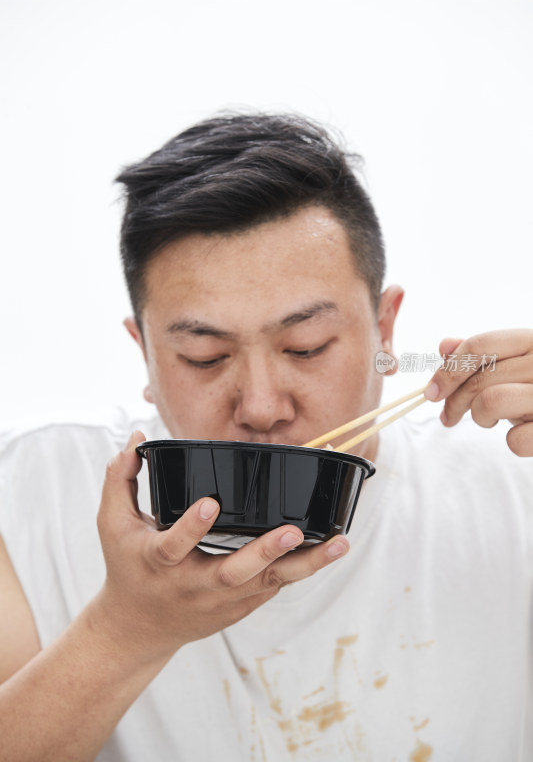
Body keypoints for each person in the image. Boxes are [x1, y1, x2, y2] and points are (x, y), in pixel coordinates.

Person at [0, 113, 532, 762]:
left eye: (305, 347)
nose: (260, 407)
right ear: (143, 352)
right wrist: (124, 631)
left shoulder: (509, 481)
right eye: (203, 355)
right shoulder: (32, 493)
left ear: (384, 332)